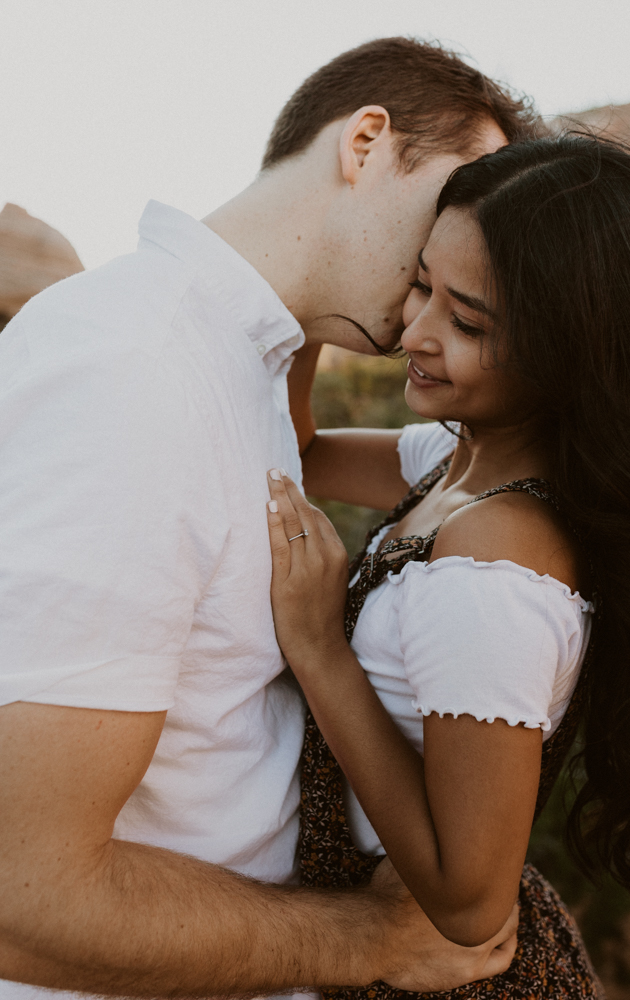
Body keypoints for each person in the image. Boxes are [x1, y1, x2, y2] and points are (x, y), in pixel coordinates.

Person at [0, 38, 539, 999]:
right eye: (456, 197)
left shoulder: (229, 365)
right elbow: (20, 890)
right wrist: (368, 945)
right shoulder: (129, 372)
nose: (461, 246)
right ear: (365, 142)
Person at [266, 134, 630, 998]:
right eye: (420, 284)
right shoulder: (458, 458)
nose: (414, 333)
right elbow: (302, 452)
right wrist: (313, 296)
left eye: (467, 322)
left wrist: (320, 651)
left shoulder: (492, 578)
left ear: (568, 351)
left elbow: (469, 903)